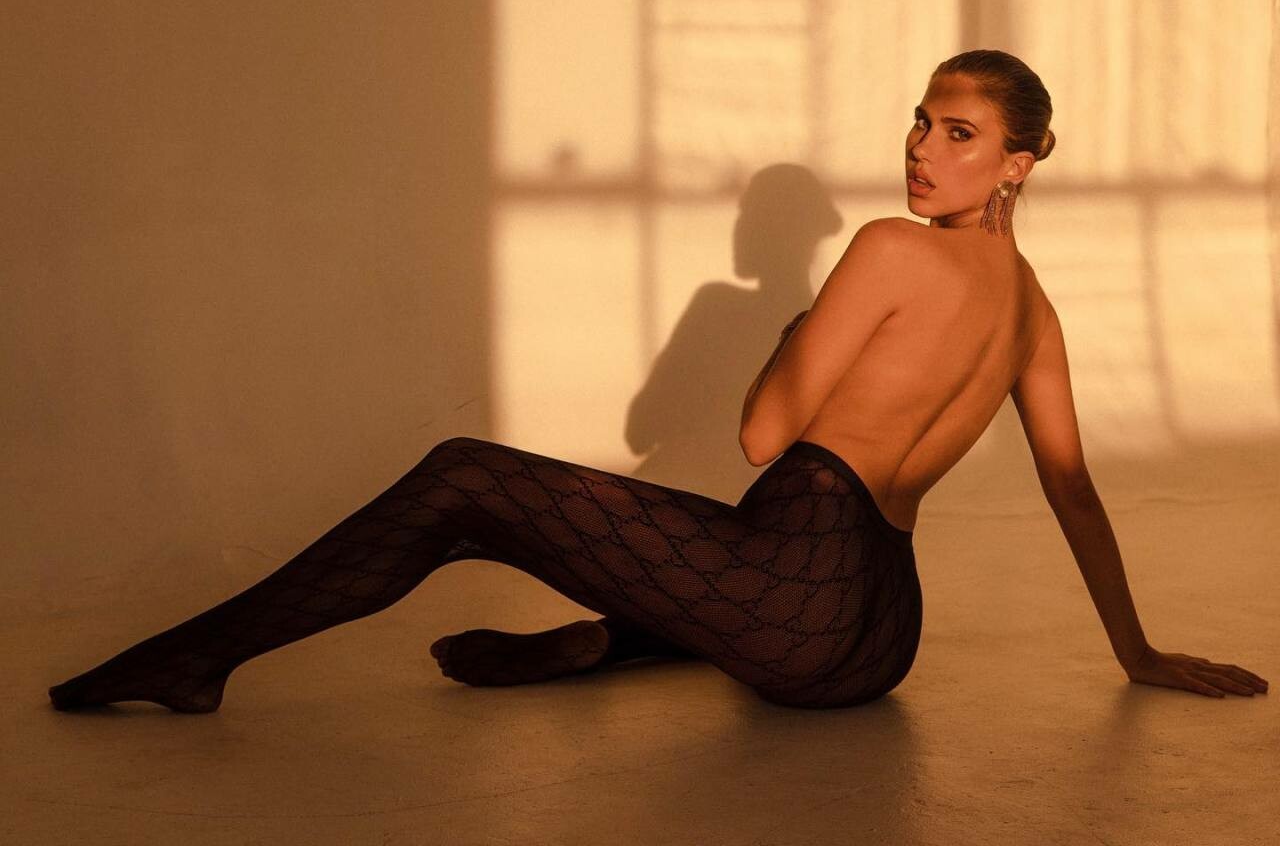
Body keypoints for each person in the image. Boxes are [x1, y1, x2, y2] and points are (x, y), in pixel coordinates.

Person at [47, 49, 1267, 713]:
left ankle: (195, 658)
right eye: (918, 119)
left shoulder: (888, 250)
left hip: (790, 602)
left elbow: (761, 435)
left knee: (461, 475)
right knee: (700, 557)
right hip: (876, 639)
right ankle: (615, 640)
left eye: (957, 133)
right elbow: (1072, 490)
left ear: (1016, 161)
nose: (919, 147)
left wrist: (797, 328)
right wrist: (1136, 651)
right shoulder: (1034, 310)